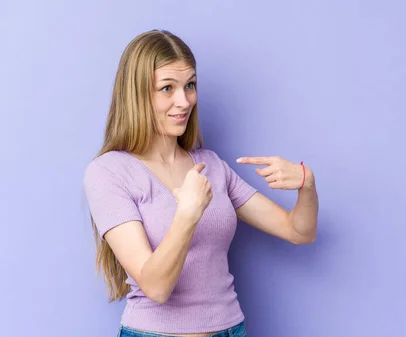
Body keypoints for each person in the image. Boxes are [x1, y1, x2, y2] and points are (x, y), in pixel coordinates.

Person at [82, 29, 319, 337]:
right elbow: (155, 287)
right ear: (137, 94)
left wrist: (307, 185)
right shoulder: (108, 172)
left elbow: (298, 231)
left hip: (231, 330)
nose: (184, 101)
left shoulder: (211, 165)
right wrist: (188, 214)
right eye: (167, 88)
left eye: (190, 85)